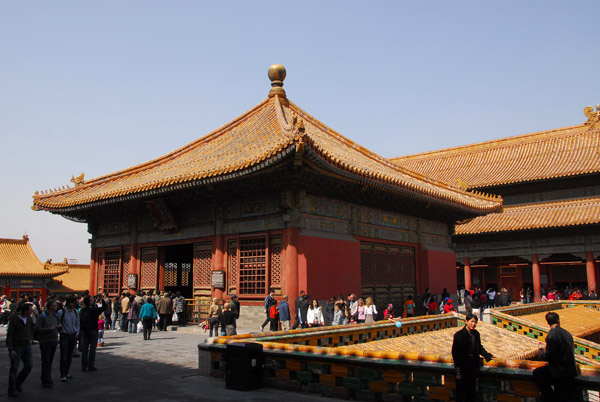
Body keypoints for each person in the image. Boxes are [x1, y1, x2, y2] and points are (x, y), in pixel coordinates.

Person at [532, 312, 580, 401]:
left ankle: (549, 396)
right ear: (558, 320)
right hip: (570, 369)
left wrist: (542, 354)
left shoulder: (551, 335)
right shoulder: (566, 333)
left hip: (560, 371)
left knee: (537, 373)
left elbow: (550, 356)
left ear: (548, 322)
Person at [451, 313, 493, 402]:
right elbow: (455, 352)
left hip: (473, 366)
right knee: (461, 392)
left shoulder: (476, 334)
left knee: (471, 392)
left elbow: (479, 347)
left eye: (475, 322)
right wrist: (458, 367)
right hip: (462, 367)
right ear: (466, 322)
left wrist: (486, 355)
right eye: (472, 322)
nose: (473, 324)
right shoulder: (459, 335)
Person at [6, 302, 35, 397]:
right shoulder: (14, 320)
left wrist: (30, 338)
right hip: (17, 346)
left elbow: (31, 330)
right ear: (26, 310)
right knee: (14, 367)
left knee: (29, 365)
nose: (32, 311)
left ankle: (18, 383)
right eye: (31, 309)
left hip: (27, 345)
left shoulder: (29, 319)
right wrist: (11, 349)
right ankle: (12, 388)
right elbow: (10, 335)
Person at [34, 299, 61, 388]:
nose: (56, 307)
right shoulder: (42, 316)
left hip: (53, 340)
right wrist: (50, 329)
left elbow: (58, 326)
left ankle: (45, 378)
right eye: (54, 305)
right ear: (50, 306)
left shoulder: (56, 316)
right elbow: (37, 329)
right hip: (45, 341)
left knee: (50, 361)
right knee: (46, 361)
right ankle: (46, 379)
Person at [79, 295, 106, 372]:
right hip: (93, 329)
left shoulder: (82, 310)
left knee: (85, 349)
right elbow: (104, 307)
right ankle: (91, 365)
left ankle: (84, 366)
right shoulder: (94, 310)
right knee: (92, 349)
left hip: (85, 330)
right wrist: (102, 300)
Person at [57, 295, 79, 382]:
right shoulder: (61, 312)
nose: (73, 304)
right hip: (64, 335)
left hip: (72, 335)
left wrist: (77, 332)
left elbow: (77, 323)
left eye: (74, 303)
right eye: (71, 303)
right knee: (63, 355)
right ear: (67, 303)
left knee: (69, 355)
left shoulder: (75, 312)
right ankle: (63, 374)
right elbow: (58, 323)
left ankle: (67, 372)